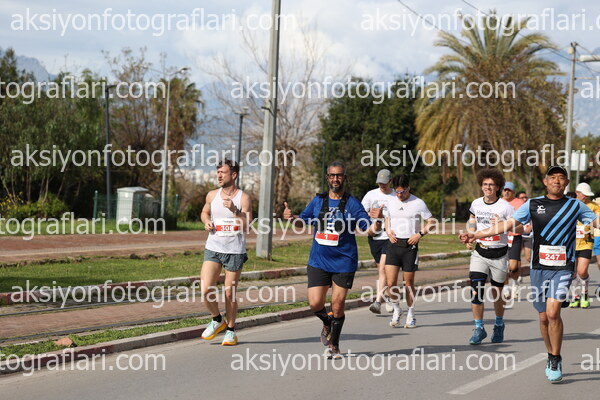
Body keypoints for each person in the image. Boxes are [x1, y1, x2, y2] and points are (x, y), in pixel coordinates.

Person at [460, 166, 599, 382]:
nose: (557, 181)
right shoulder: (533, 204)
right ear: (545, 181)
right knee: (543, 317)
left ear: (566, 183)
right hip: (538, 268)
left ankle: (556, 357)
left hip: (563, 267)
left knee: (553, 313)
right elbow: (509, 224)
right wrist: (476, 235)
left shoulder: (575, 205)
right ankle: (550, 353)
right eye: (553, 177)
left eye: (561, 178)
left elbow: (596, 222)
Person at [283, 161, 382, 359]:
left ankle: (334, 345)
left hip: (344, 261)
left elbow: (369, 230)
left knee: (337, 305)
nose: (335, 179)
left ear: (345, 178)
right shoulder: (318, 201)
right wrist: (292, 218)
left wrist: (378, 221)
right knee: (314, 304)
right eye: (332, 175)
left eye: (339, 175)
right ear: (327, 178)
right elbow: (303, 221)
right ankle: (327, 322)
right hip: (318, 260)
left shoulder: (352, 203)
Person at [199, 159, 252, 346]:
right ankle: (216, 319)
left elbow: (247, 226)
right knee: (206, 288)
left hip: (234, 250)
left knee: (229, 293)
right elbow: (204, 212)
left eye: (223, 172)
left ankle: (230, 331)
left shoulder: (243, 198)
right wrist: (206, 221)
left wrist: (234, 210)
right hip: (213, 247)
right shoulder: (212, 195)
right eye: (218, 172)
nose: (219, 176)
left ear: (234, 175)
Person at [463, 169, 514, 345]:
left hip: (499, 254)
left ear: (498, 187)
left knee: (497, 293)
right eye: (485, 184)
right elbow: (472, 218)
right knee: (476, 290)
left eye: (491, 185)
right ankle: (479, 328)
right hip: (480, 252)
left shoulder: (505, 207)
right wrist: (470, 235)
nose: (487, 187)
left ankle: (499, 324)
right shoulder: (476, 203)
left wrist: (503, 225)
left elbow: (520, 227)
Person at [384, 174, 436, 328]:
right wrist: (388, 230)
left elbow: (432, 222)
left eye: (403, 192)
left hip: (410, 246)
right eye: (397, 192)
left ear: (409, 188)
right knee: (390, 283)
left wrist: (419, 234)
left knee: (408, 283)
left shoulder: (418, 203)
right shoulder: (390, 201)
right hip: (393, 244)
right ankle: (397, 310)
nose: (400, 195)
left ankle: (411, 313)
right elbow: (387, 218)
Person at [361, 169, 396, 314]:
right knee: (382, 271)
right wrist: (370, 214)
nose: (382, 185)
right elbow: (361, 212)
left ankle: (377, 301)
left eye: (385, 183)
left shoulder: (396, 195)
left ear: (390, 181)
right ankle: (389, 296)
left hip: (390, 236)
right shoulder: (371, 195)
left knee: (383, 268)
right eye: (380, 183)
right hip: (375, 236)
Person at [568, 183, 600, 309]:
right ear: (577, 193)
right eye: (584, 194)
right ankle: (575, 296)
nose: (586, 197)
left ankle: (584, 294)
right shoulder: (570, 205)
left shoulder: (593, 206)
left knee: (582, 271)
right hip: (571, 243)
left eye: (588, 195)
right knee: (572, 272)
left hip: (586, 242)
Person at [502, 182, 525, 299]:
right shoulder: (498, 202)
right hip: (501, 237)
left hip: (515, 236)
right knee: (502, 265)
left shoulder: (519, 203)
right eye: (505, 190)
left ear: (513, 192)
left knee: (513, 266)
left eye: (509, 190)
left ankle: (515, 282)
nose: (506, 192)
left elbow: (525, 217)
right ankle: (506, 287)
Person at [517, 192, 533, 268]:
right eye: (522, 198)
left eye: (525, 197)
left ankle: (533, 270)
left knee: (528, 257)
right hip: (517, 236)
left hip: (527, 236)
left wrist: (531, 226)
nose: (524, 199)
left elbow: (537, 219)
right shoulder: (514, 207)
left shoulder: (530, 207)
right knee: (516, 258)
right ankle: (518, 274)